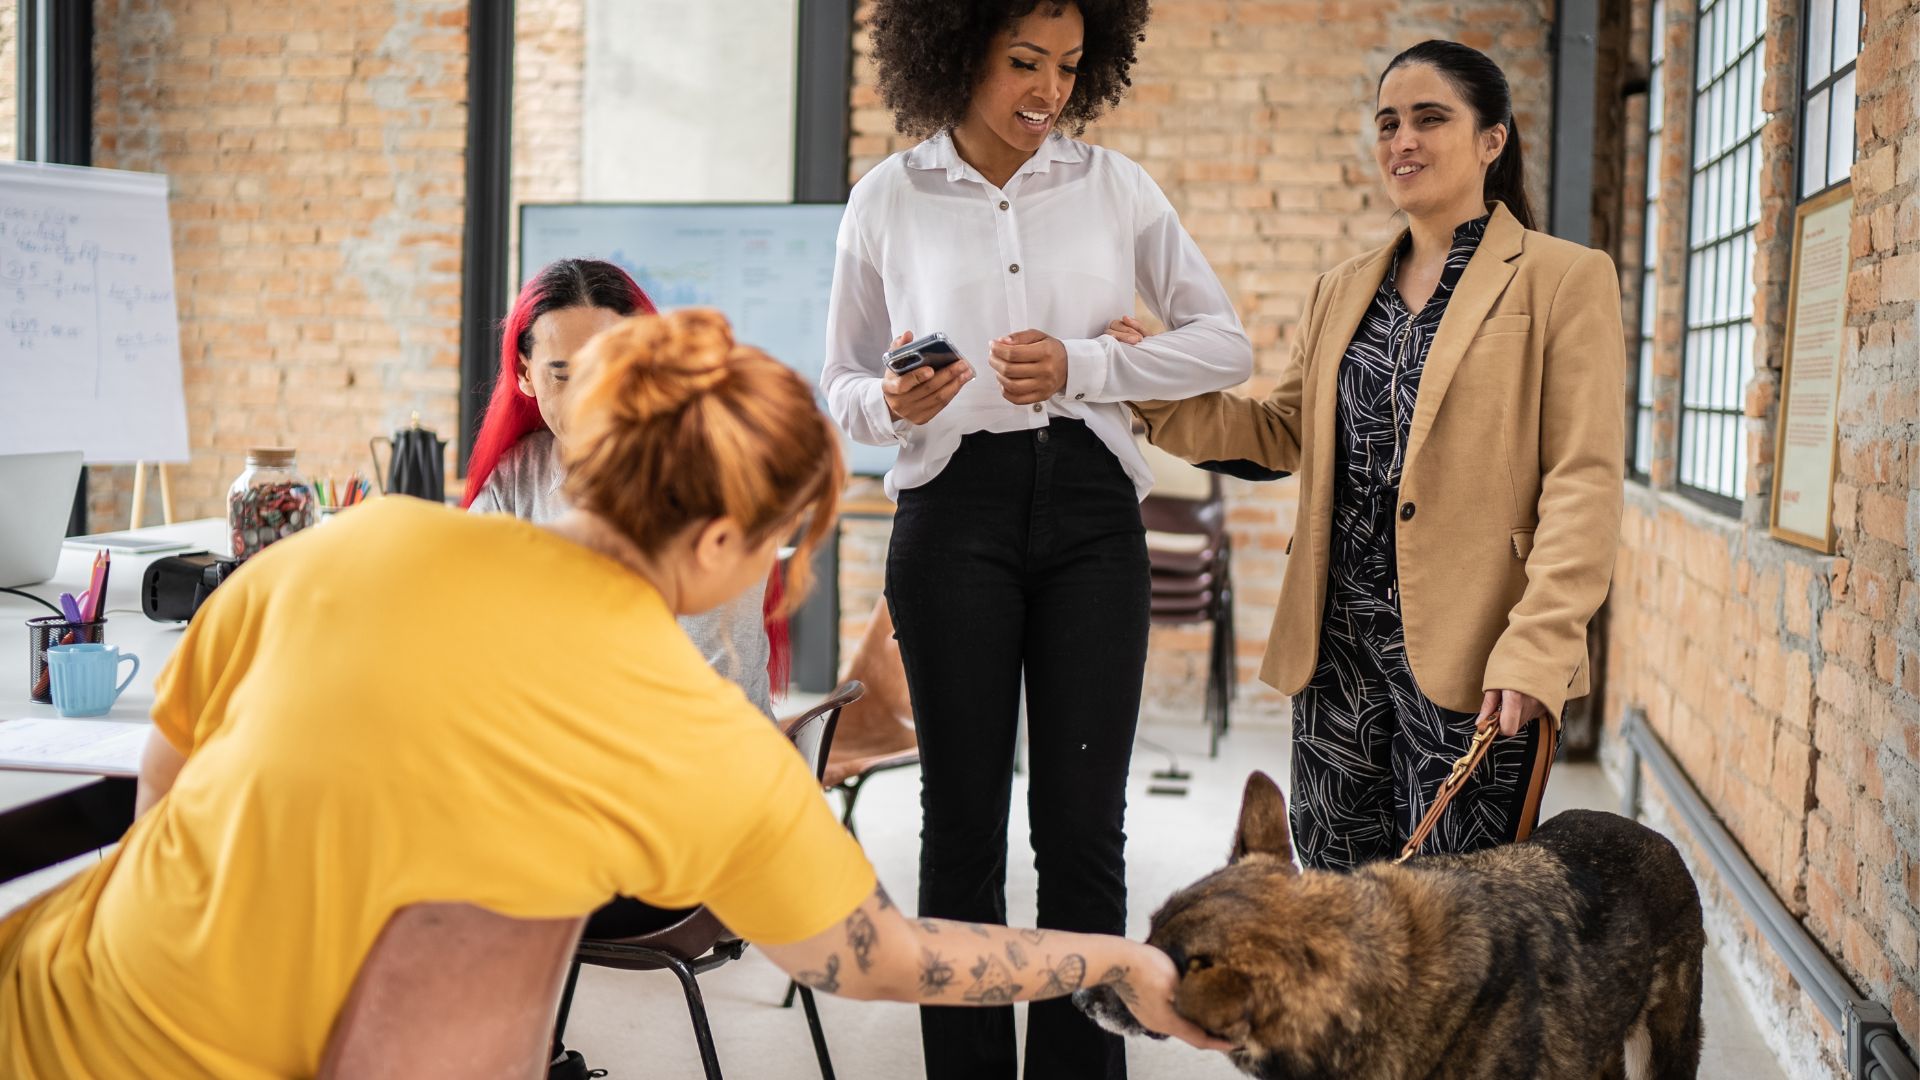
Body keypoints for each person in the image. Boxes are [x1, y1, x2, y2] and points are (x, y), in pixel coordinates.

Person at [0, 310, 1221, 1079]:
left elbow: (160, 789)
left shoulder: (348, 544)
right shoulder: (704, 748)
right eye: (776, 544)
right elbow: (876, 957)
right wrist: (1109, 958)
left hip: (45, 1000)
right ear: (723, 541)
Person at [820, 2, 1251, 1077]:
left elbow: (1225, 343)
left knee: (1082, 834)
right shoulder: (887, 199)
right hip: (950, 514)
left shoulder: (1114, 189)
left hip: (1093, 522)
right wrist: (896, 401)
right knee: (960, 829)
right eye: (1023, 61)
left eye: (1067, 65)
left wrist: (1084, 367)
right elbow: (840, 388)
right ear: (956, 52)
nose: (1047, 89)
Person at [1119, 40, 1626, 872]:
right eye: (1389, 122)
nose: (1404, 141)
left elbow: (1584, 482)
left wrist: (1539, 646)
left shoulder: (1563, 279)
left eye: (1432, 119)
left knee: (1455, 916)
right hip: (1338, 650)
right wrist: (1144, 381)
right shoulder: (1343, 287)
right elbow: (1283, 433)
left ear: (1492, 139)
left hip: (1478, 653)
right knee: (1341, 907)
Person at [465, 257, 781, 717]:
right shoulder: (517, 477)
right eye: (563, 375)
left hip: (695, 756)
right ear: (525, 374)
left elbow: (703, 684)